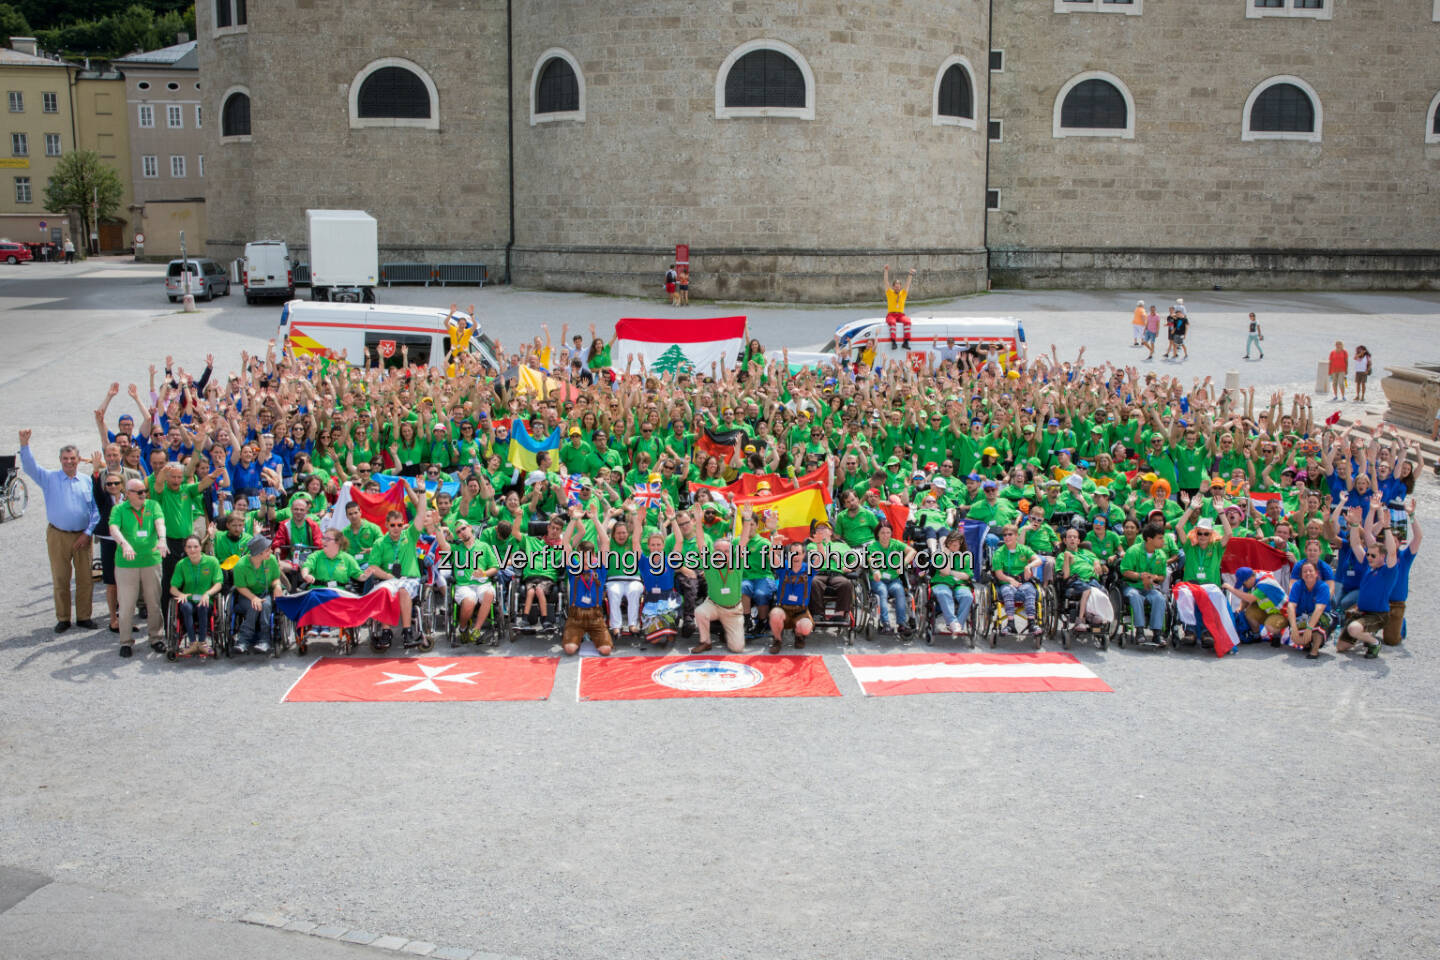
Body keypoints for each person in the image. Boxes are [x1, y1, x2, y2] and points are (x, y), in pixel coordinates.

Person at [19, 430, 101, 633]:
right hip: (58, 535)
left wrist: (88, 532)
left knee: (84, 579)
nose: (69, 462)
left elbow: (95, 511)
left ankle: (84, 617)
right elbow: (30, 467)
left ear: (78, 459)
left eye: (73, 458)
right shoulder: (50, 478)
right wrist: (24, 445)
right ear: (60, 460)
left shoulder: (86, 481)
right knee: (61, 578)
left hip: (83, 535)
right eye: (65, 459)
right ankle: (63, 618)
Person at [361, 478, 429, 650]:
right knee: (384, 590)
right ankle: (386, 631)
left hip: (409, 578)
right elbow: (374, 567)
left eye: (399, 525)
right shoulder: (379, 543)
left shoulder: (410, 535)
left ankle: (407, 632)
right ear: (386, 525)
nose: (397, 528)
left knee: (403, 589)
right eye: (393, 525)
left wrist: (421, 491)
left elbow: (421, 514)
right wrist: (387, 576)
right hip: (389, 579)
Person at [110, 477, 167, 657]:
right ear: (128, 494)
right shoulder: (119, 509)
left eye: (144, 491)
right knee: (126, 605)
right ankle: (125, 641)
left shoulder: (152, 505)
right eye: (139, 492)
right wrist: (124, 544)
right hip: (127, 563)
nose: (144, 495)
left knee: (153, 602)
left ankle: (156, 638)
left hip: (151, 560)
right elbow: (113, 528)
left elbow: (160, 523)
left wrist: (162, 539)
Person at [1340, 503, 1399, 659]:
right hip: (1361, 612)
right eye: (1368, 555)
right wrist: (1354, 524)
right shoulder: (1367, 565)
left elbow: (1392, 552)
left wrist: (1386, 528)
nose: (1369, 557)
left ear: (1382, 557)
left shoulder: (1388, 571)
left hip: (1378, 614)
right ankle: (1364, 632)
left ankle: (1373, 643)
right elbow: (1355, 544)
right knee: (1341, 647)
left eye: (1373, 555)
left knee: (1353, 629)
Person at [691, 502, 745, 653]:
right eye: (718, 551)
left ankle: (727, 631)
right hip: (714, 605)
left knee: (737, 648)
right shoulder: (709, 563)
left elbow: (743, 541)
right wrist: (698, 522)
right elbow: (701, 542)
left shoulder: (738, 562)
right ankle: (705, 641)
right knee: (700, 611)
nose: (722, 553)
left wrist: (746, 521)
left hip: (733, 611)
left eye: (726, 551)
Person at [560, 501, 612, 656]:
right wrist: (574, 519)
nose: (585, 559)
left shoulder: (600, 568)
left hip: (596, 616)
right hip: (576, 616)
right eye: (582, 556)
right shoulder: (574, 567)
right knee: (569, 649)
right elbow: (566, 543)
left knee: (606, 650)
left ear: (594, 556)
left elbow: (605, 542)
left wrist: (595, 519)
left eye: (589, 556)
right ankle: (578, 635)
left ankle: (588, 635)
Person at [169, 535, 223, 657]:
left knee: (202, 606)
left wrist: (207, 594)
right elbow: (173, 588)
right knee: (186, 607)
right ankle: (193, 643)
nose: (192, 550)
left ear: (201, 547)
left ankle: (203, 643)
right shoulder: (181, 564)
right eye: (189, 547)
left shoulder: (212, 562)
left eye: (195, 546)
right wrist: (180, 594)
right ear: (185, 549)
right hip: (188, 599)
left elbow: (219, 584)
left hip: (205, 600)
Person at [232, 535, 282, 655]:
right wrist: (253, 598)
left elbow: (276, 578)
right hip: (246, 594)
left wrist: (277, 586)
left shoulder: (271, 560)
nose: (270, 551)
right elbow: (240, 586)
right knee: (253, 606)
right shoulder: (241, 565)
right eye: (267, 550)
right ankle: (243, 640)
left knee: (265, 605)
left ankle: (265, 640)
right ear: (259, 553)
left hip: (265, 593)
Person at [1119, 523, 1169, 644]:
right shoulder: (1133, 551)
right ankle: (1139, 631)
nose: (1163, 541)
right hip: (1131, 586)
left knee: (1160, 598)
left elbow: (1162, 577)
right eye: (1160, 538)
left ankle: (1157, 633)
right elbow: (1124, 571)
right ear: (1149, 539)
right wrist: (1140, 575)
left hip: (1149, 588)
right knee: (1136, 597)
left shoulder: (1161, 555)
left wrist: (1155, 577)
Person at [768, 541, 815, 654]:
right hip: (783, 608)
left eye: (798, 553)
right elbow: (772, 557)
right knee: (774, 615)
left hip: (800, 611)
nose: (795, 556)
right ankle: (777, 640)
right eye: (792, 553)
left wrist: (818, 544)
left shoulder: (808, 569)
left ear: (803, 555)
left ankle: (798, 635)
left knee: (806, 627)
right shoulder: (783, 566)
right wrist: (773, 544)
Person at [882, 264, 916, 349]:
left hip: (901, 315)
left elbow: (908, 284)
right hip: (891, 314)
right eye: (895, 286)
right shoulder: (889, 293)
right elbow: (886, 282)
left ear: (900, 287)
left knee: (907, 321)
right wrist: (886, 271)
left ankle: (906, 342)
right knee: (892, 323)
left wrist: (910, 274)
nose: (897, 288)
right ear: (893, 287)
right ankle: (893, 342)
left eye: (898, 286)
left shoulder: (903, 293)